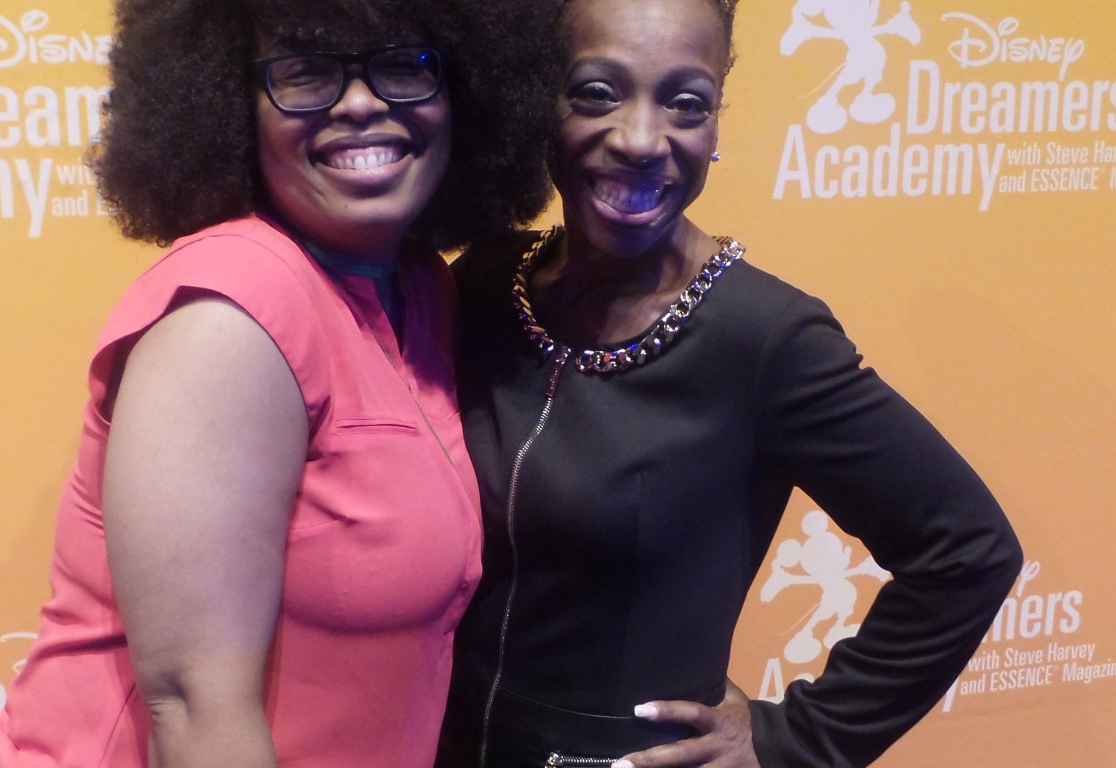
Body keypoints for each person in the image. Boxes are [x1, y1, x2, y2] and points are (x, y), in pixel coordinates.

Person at [436, 0, 1023, 766]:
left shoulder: (766, 339)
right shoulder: (485, 282)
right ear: (538, 101)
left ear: (714, 127)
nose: (641, 139)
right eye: (597, 92)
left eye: (686, 103)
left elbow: (969, 551)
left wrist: (795, 740)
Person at [0, 0, 557, 766]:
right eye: (307, 71)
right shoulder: (231, 318)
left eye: (403, 64)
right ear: (229, 101)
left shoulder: (421, 286)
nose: (360, 103)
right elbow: (195, 710)